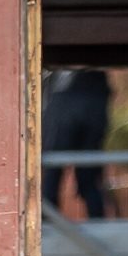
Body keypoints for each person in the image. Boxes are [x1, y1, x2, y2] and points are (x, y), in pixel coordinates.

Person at [42, 69, 112, 219]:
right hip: (91, 101)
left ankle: (49, 222)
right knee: (86, 175)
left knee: (55, 171)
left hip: (71, 104)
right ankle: (95, 222)